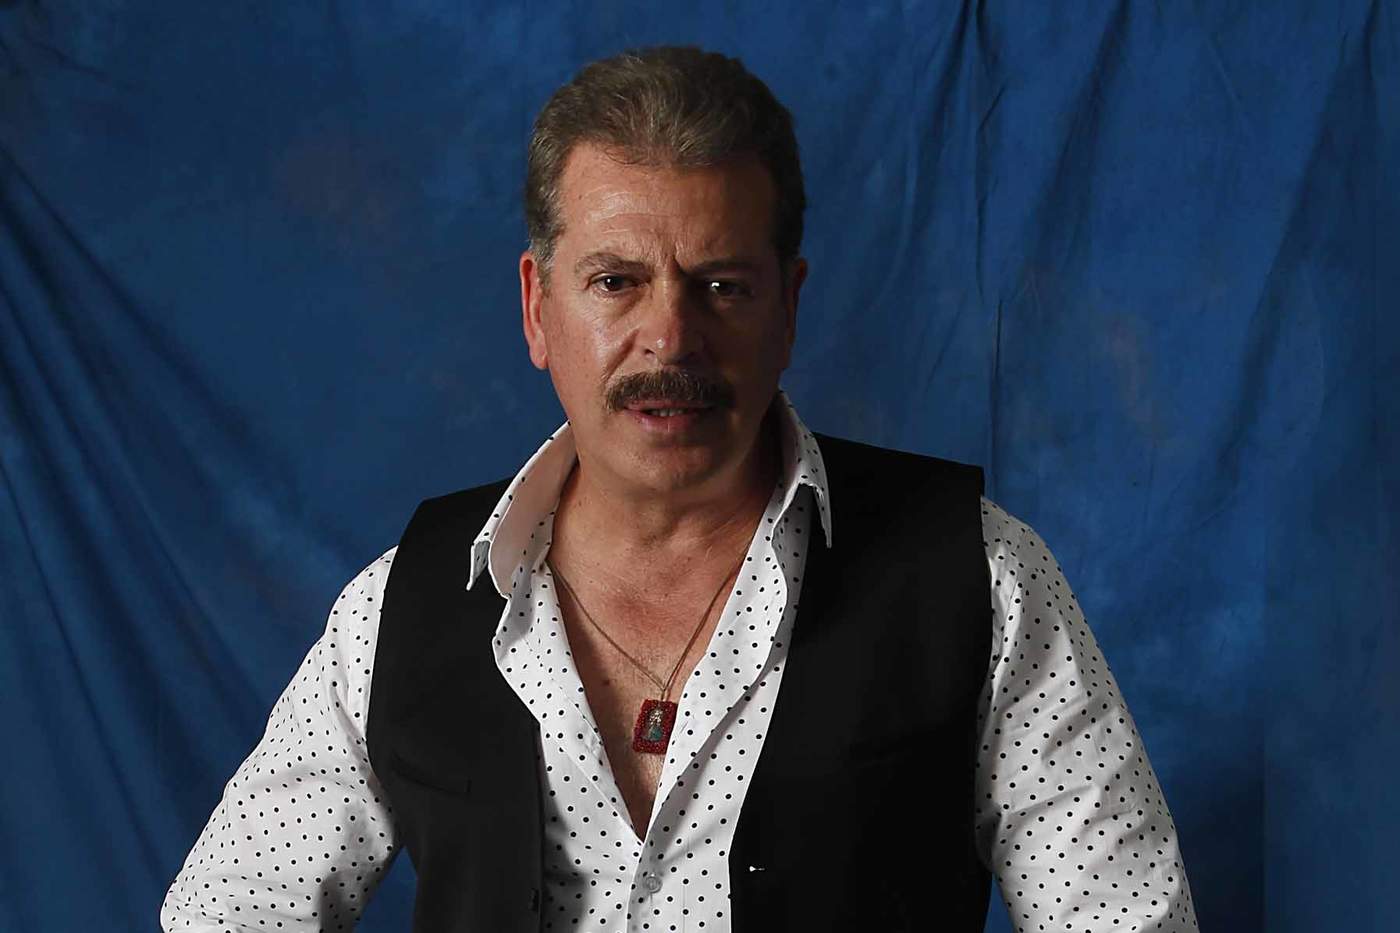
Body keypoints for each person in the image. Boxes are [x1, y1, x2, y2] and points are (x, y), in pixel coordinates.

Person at [161, 45, 1198, 932]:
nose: (670, 337)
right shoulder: (403, 606)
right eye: (616, 282)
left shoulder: (981, 580)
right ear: (537, 308)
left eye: (720, 286)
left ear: (786, 309)